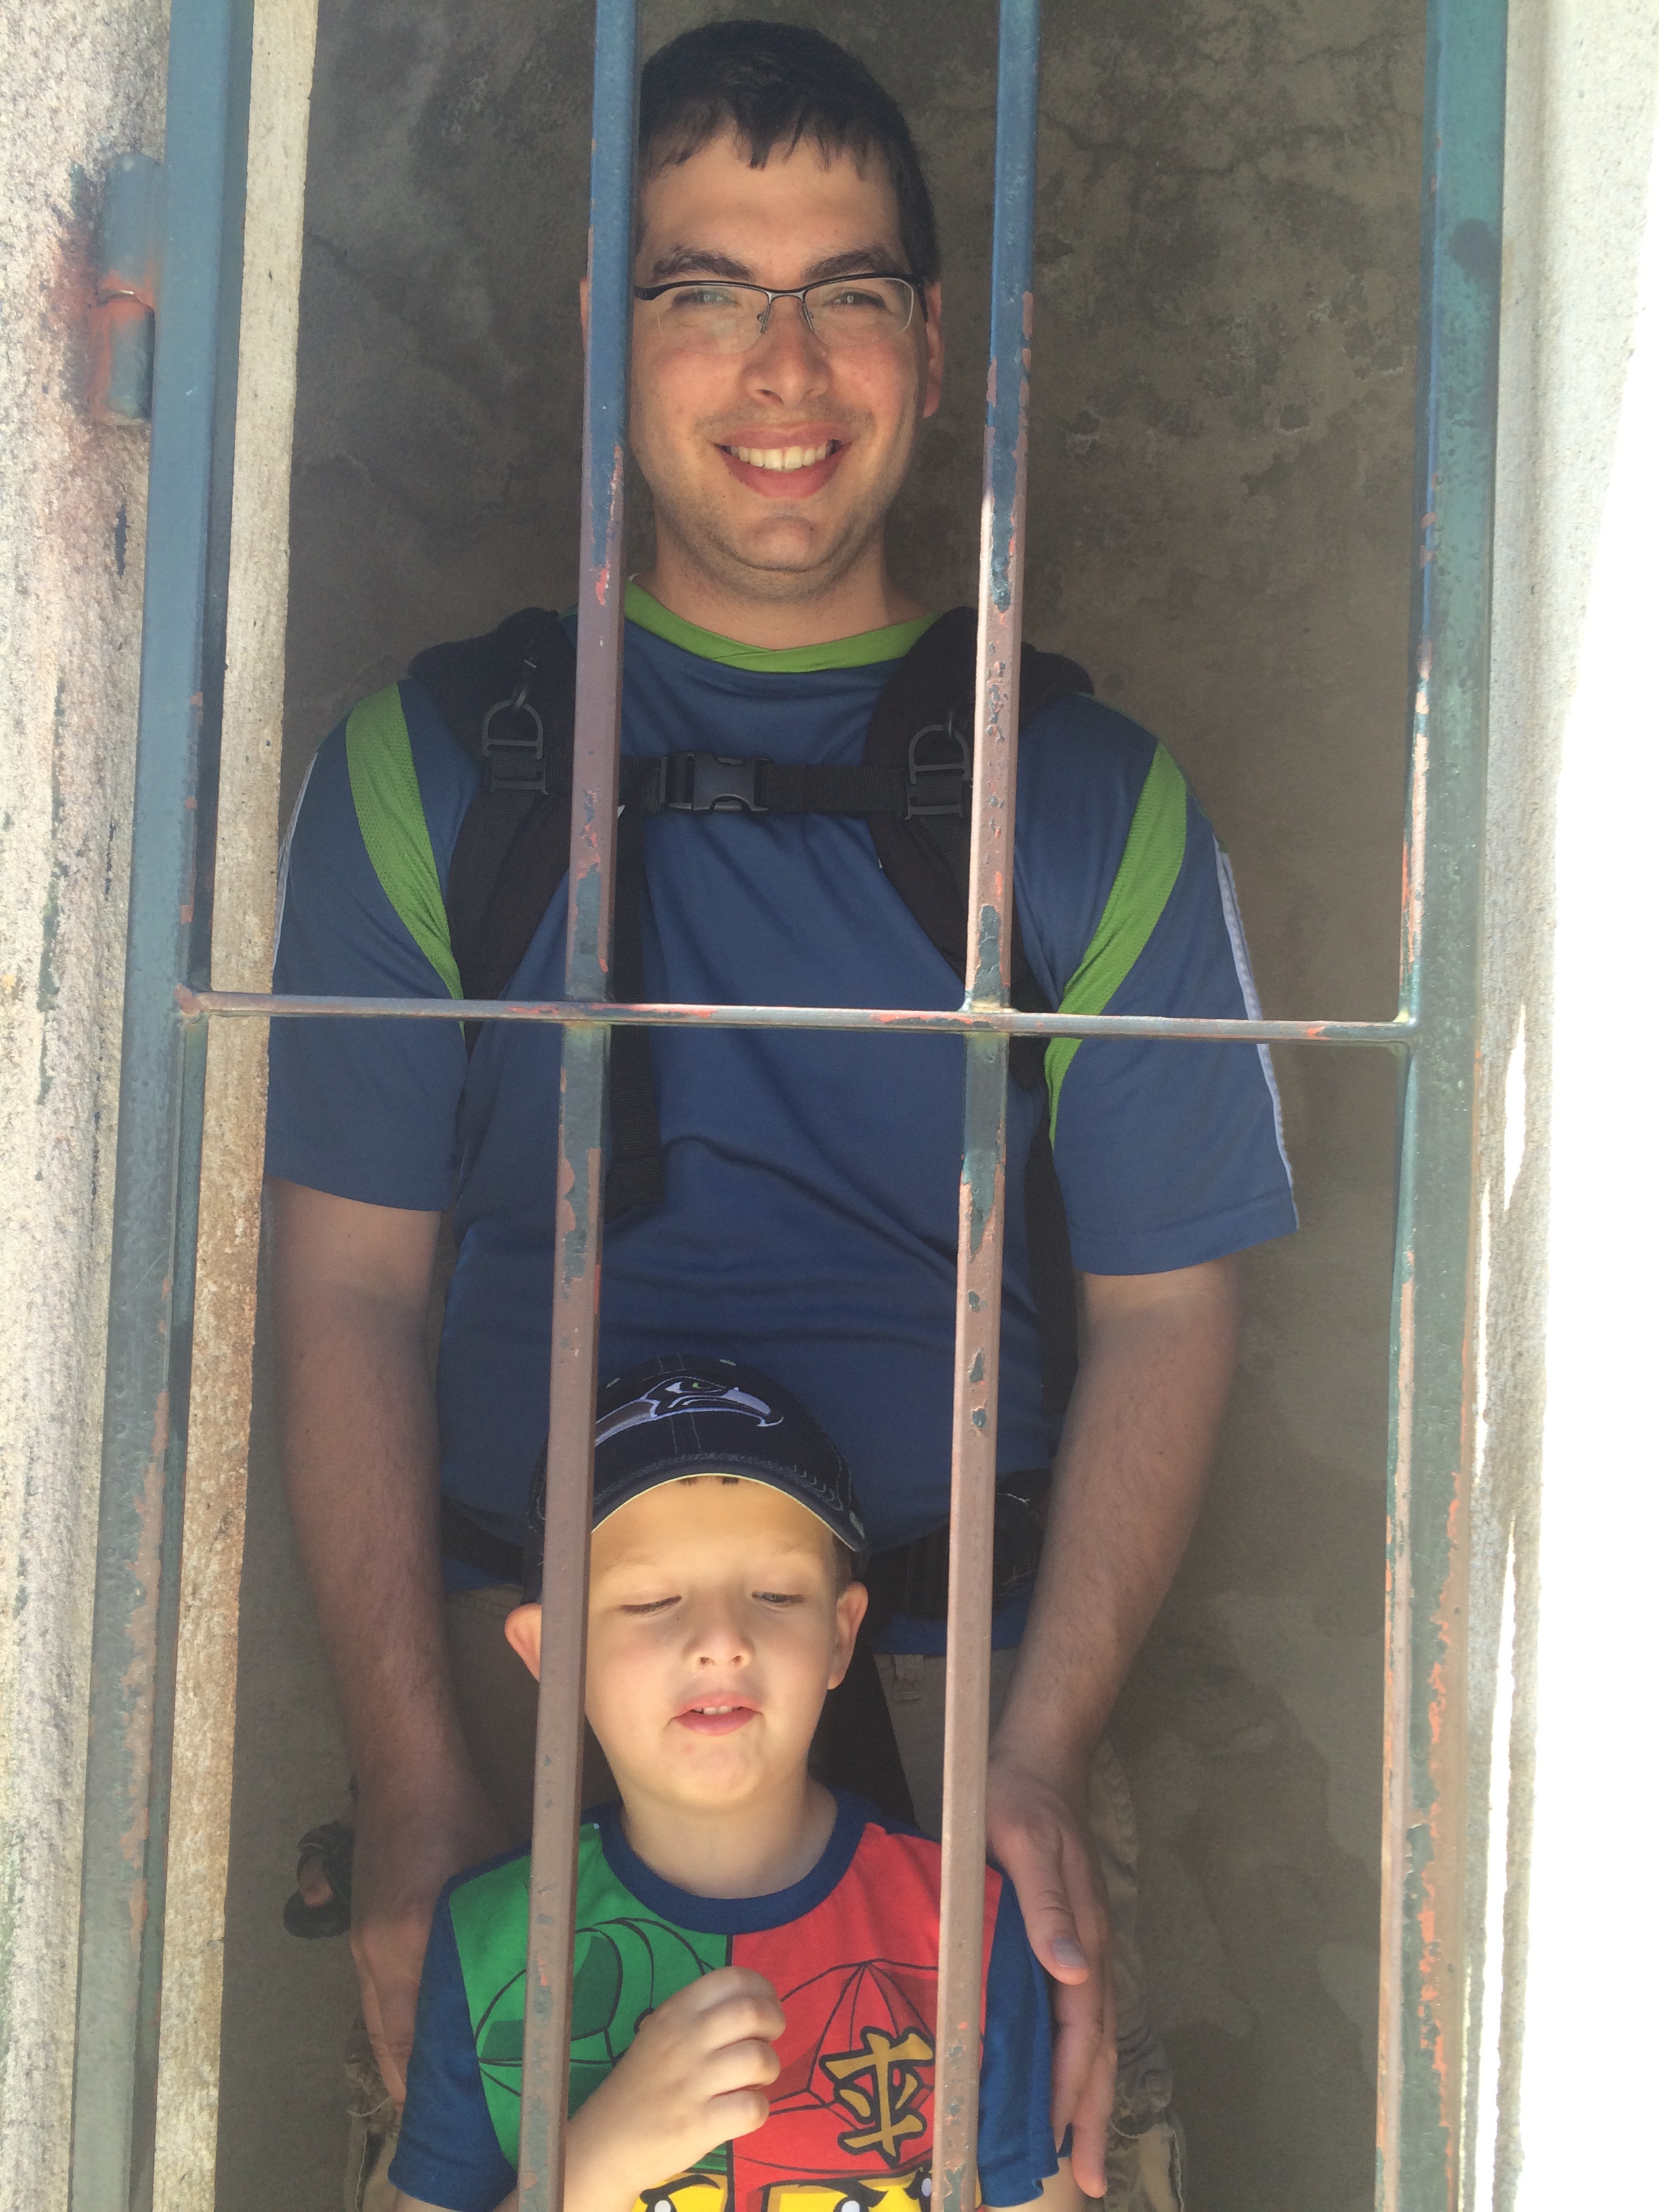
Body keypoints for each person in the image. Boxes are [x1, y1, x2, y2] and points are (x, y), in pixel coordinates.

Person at [266, 20, 1296, 2209]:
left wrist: (1039, 1752)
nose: (783, 366)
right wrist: (415, 1773)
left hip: (959, 1715)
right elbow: (344, 1284)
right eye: (705, 290)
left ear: (933, 337)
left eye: (843, 290)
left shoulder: (1085, 803)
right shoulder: (427, 770)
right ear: (604, 327)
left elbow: (1172, 1307)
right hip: (539, 1725)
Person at [388, 1357, 1078, 2212]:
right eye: (651, 1601)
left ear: (840, 1635)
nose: (721, 1639)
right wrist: (594, 2165)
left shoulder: (965, 1925)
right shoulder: (489, 1938)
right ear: (551, 1651)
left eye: (775, 1594)